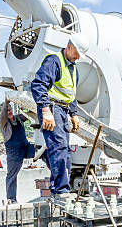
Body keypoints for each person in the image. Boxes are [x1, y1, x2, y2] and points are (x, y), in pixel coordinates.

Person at [30, 33, 89, 203]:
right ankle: (60, 190)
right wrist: (45, 110)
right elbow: (38, 85)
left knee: (64, 150)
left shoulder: (72, 68)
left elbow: (71, 94)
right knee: (59, 148)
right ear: (69, 46)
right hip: (52, 108)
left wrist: (74, 115)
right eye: (77, 53)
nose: (78, 57)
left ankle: (61, 187)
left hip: (62, 110)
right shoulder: (54, 61)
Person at [0, 101, 36, 204]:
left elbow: (29, 114)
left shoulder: (18, 118)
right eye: (6, 111)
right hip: (14, 152)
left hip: (25, 147)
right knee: (12, 175)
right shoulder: (3, 123)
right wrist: (6, 102)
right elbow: (3, 115)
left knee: (43, 152)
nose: (9, 112)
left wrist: (25, 103)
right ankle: (11, 199)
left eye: (10, 109)